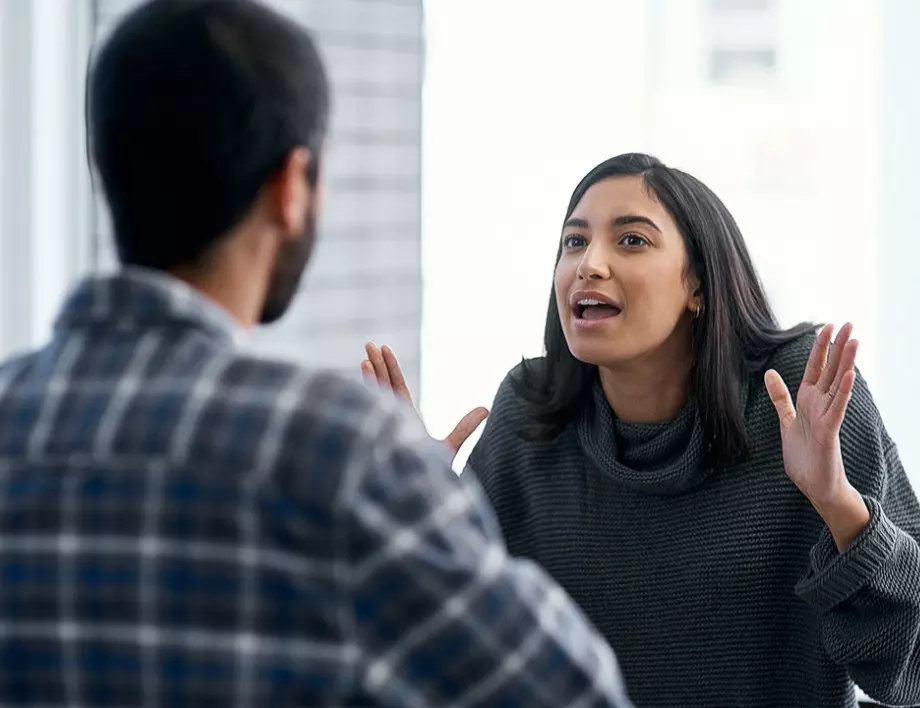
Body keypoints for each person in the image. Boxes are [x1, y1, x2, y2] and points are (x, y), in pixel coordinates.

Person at [0, 2, 638, 706]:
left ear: (102, 164)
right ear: (291, 186)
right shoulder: (340, 451)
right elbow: (575, 694)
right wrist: (432, 501)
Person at [363, 153, 920, 708]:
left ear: (698, 284)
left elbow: (909, 668)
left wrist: (836, 502)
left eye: (631, 240)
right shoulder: (531, 414)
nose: (590, 264)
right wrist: (420, 515)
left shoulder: (799, 396)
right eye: (574, 242)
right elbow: (447, 653)